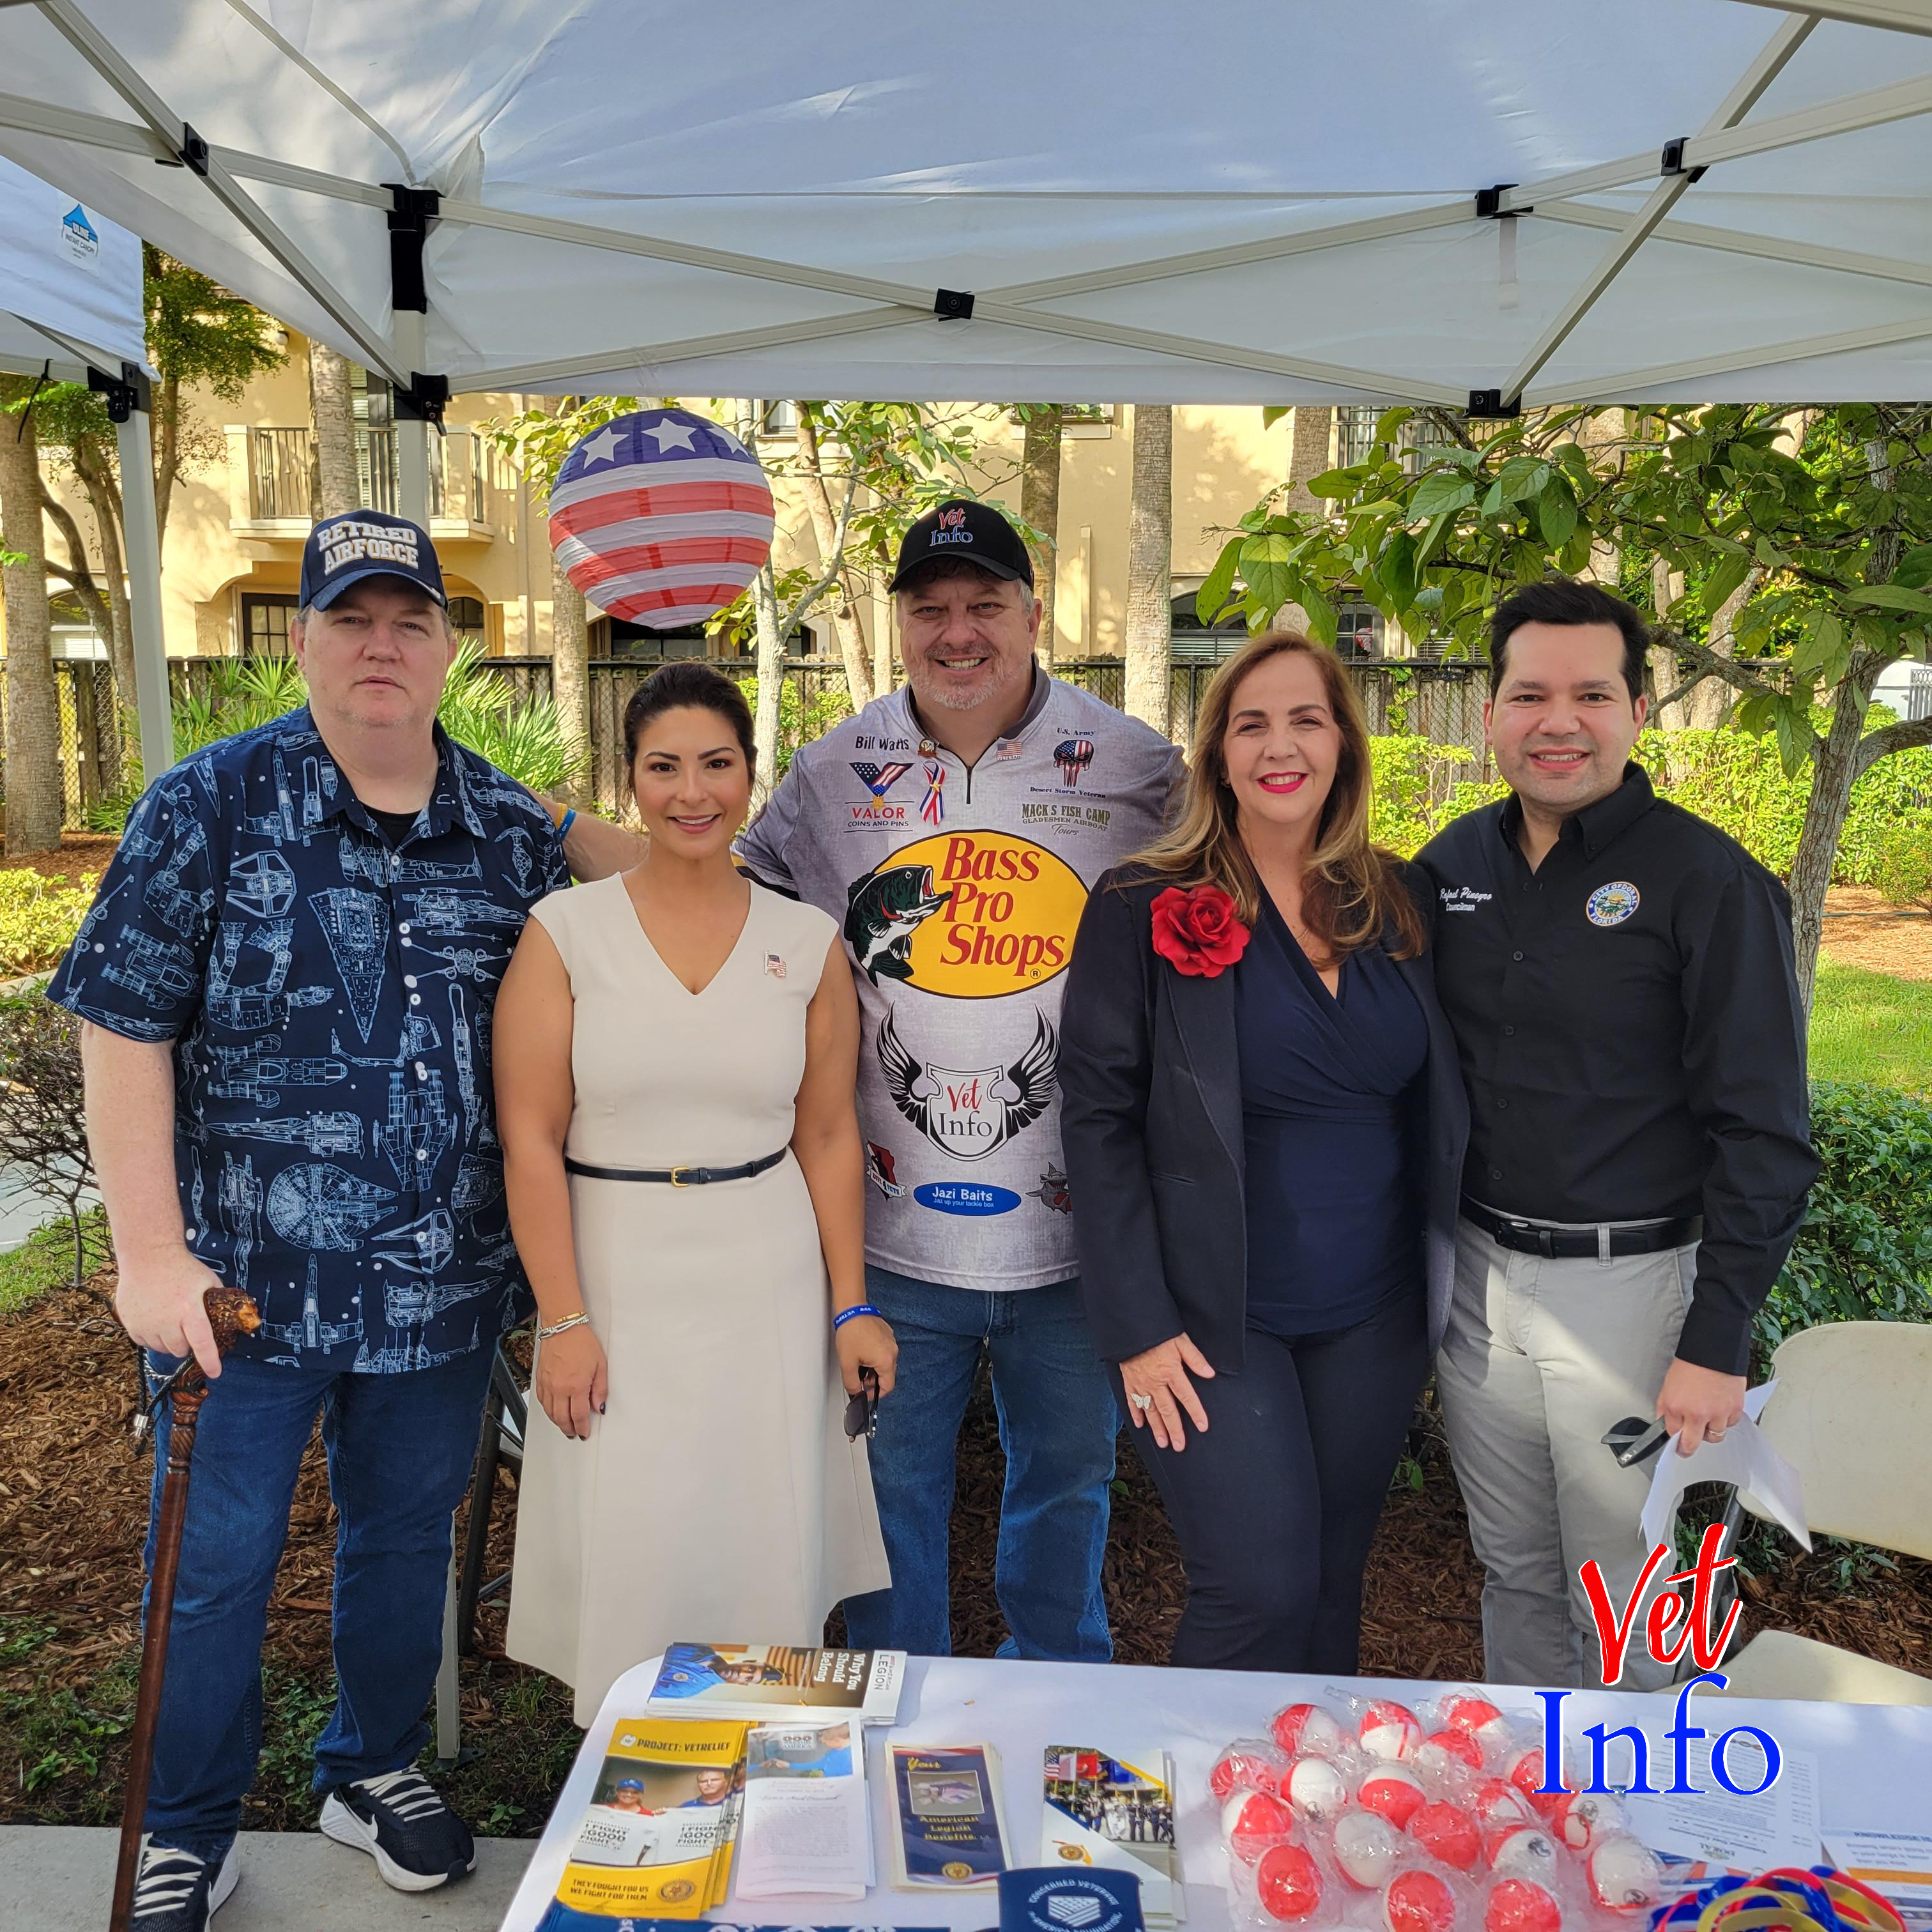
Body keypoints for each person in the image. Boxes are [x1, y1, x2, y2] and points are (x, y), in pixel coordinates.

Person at [49, 510, 599, 1930]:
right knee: (218, 1560)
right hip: (239, 1296)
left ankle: (372, 1767)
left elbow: (652, 917)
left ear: (449, 650)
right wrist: (150, 1255)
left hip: (441, 1289)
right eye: (350, 619)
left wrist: (592, 823)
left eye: (410, 620)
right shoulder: (208, 804)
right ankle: (187, 1822)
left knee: (404, 1541)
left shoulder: (506, 832)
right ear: (300, 642)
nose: (381, 645)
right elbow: (120, 1028)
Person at [733, 498, 1184, 1660]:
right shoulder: (834, 774)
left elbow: (1237, 898)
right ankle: (900, 1716)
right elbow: (718, 899)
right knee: (889, 1508)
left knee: (1070, 1490)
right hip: (892, 1241)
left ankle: (1057, 1697)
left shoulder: (1136, 768)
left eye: (985, 604)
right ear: (900, 625)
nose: (958, 632)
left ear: (1035, 615)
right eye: (930, 609)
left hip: (1078, 1239)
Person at [1417, 578, 1818, 1690]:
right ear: (1491, 712)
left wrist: (1717, 1337)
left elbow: (1767, 1132)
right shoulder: (1451, 868)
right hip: (1479, 1286)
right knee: (1516, 1574)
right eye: (1530, 693)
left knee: (1634, 1600)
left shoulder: (1710, 883)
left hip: (1631, 1294)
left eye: (1592, 693)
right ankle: (1541, 1824)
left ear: (1639, 710)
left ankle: (1664, 1836)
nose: (1560, 721)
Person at [1058, 631, 1468, 1673]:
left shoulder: (1400, 901)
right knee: (1257, 1586)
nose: (1280, 745)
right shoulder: (1140, 904)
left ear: (1344, 747)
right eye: (1252, 724)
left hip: (1373, 1320)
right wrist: (1138, 1327)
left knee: (1332, 1582)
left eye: (1306, 719)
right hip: (1208, 1325)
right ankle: (1201, 1820)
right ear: (1217, 756)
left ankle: (1309, 1814)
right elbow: (1097, 1121)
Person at [494, 663, 892, 1725]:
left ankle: (770, 1780)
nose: (692, 791)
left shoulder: (805, 942)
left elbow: (825, 1131)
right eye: (664, 767)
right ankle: (638, 1793)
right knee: (640, 1534)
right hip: (615, 1268)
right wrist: (563, 1318)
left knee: (762, 1533)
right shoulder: (564, 932)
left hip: (766, 1269)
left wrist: (852, 1303)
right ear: (630, 781)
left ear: (750, 776)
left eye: (717, 764)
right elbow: (529, 1141)